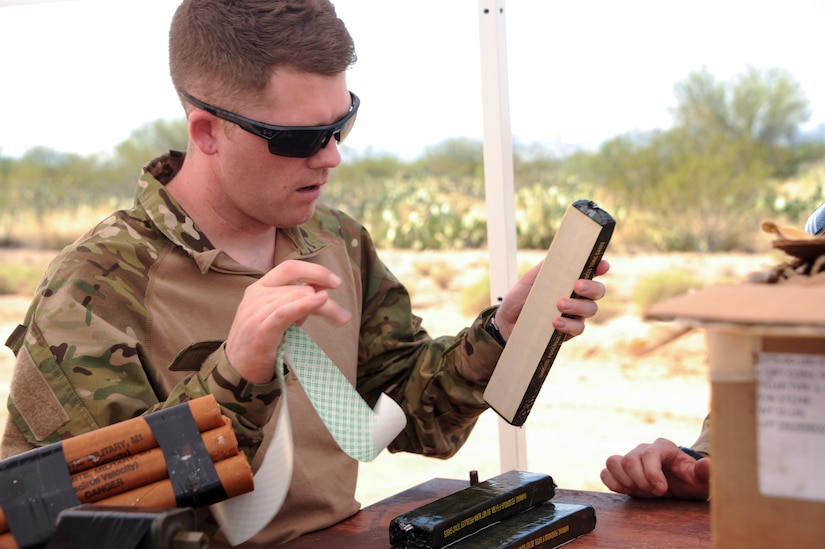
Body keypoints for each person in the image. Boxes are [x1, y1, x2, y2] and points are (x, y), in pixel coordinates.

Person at [1, 0, 608, 546]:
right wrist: (236, 375)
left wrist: (502, 333)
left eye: (342, 124)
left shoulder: (336, 240)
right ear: (207, 132)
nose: (331, 156)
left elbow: (410, 410)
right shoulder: (91, 290)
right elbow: (89, 523)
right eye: (300, 138)